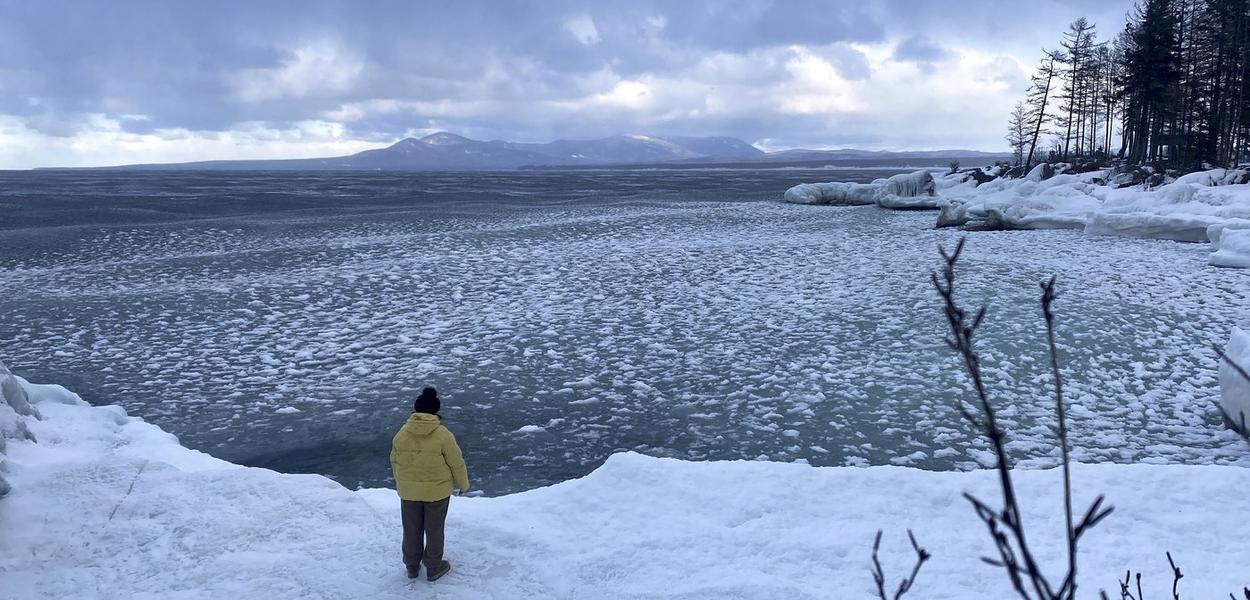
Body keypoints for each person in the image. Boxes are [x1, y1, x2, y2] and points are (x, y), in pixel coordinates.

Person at [390, 387, 470, 581]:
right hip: (437, 492)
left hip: (409, 492)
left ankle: (411, 566)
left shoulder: (402, 433)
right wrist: (463, 484)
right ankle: (434, 567)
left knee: (411, 529)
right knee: (434, 530)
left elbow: (394, 460)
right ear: (436, 410)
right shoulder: (443, 434)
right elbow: (456, 462)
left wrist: (403, 483)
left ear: (416, 409)